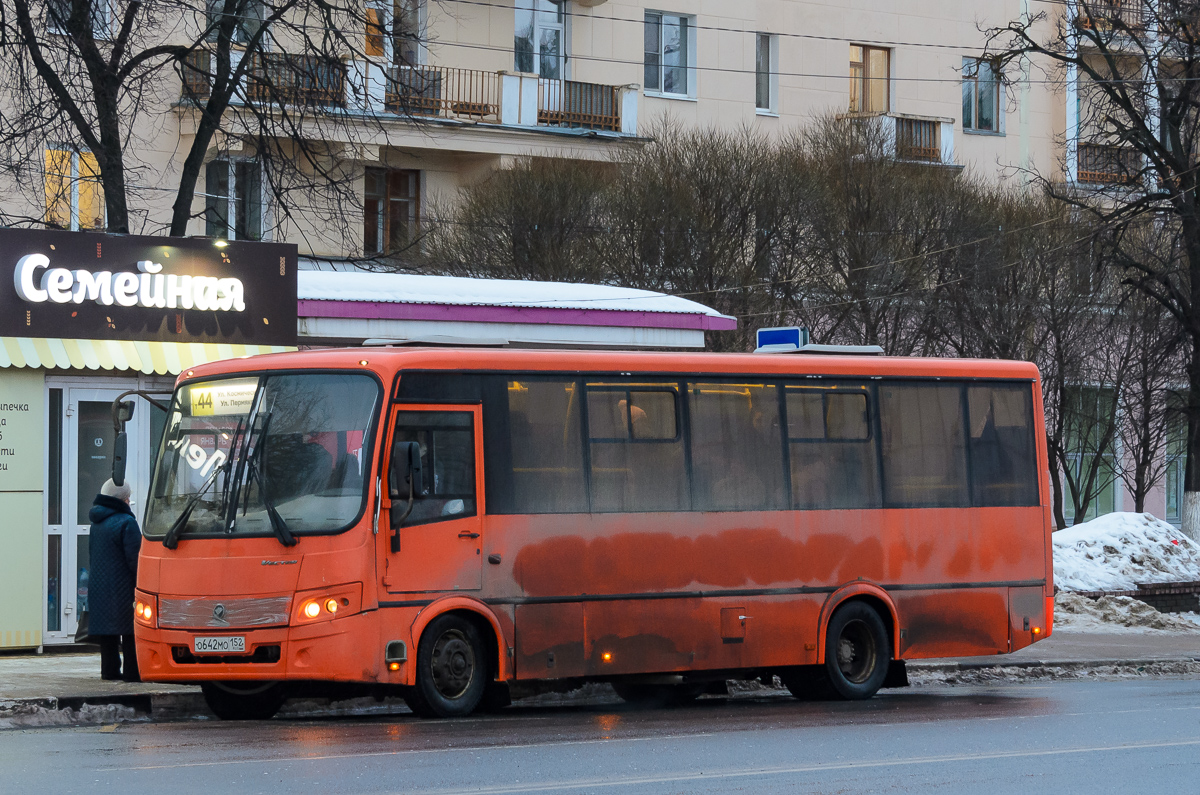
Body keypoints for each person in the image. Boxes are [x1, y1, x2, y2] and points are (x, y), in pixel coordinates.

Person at [89, 478, 142, 682]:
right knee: (130, 630)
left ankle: (109, 671)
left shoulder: (96, 523)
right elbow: (134, 558)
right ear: (124, 499)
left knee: (107, 634)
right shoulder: (126, 522)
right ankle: (132, 672)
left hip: (99, 584)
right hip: (122, 585)